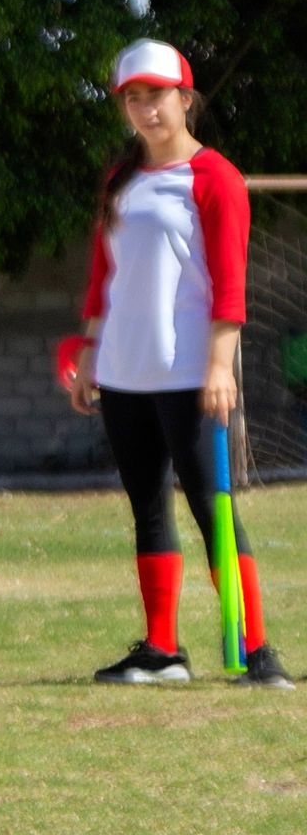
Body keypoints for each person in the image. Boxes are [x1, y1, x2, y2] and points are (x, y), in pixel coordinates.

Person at [67, 39, 289, 689]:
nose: (145, 109)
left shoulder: (214, 177)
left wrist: (221, 366)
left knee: (212, 506)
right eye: (133, 98)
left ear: (184, 98)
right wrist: (88, 352)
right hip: (124, 371)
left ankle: (257, 652)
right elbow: (102, 278)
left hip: (190, 372)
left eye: (156, 95)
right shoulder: (121, 180)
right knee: (147, 507)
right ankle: (162, 651)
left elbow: (229, 283)